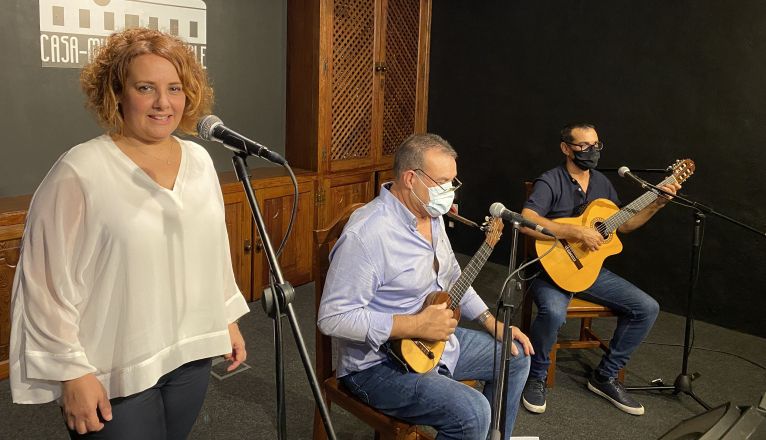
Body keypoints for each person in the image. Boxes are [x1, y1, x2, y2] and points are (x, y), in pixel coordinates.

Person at [9, 28, 250, 438]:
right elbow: (42, 283)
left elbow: (212, 251)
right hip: (113, 370)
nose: (163, 102)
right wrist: (71, 373)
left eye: (175, 88)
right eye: (146, 87)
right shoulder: (80, 170)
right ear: (117, 93)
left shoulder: (199, 160)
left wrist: (224, 317)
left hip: (190, 356)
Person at [318, 133, 533, 439]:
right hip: (377, 366)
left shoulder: (431, 216)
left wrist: (492, 323)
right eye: (444, 181)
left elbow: (454, 277)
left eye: (454, 182)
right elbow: (333, 318)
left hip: (435, 345)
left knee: (516, 356)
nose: (451, 191)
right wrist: (414, 324)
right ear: (410, 178)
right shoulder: (367, 235)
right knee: (473, 412)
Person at [519, 123, 680, 416]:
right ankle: (537, 374)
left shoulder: (602, 184)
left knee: (647, 307)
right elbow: (526, 219)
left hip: (589, 271)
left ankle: (604, 376)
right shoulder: (550, 181)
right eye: (584, 146)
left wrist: (657, 204)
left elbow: (625, 223)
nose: (592, 152)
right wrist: (574, 232)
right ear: (566, 148)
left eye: (596, 145)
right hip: (550, 270)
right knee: (554, 312)